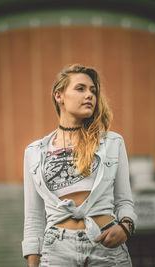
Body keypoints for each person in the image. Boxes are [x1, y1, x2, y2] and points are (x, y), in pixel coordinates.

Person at [22, 64, 137, 267]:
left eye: (93, 90)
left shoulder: (112, 143)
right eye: (80, 88)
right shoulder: (34, 151)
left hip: (105, 246)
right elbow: (33, 217)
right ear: (59, 96)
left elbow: (124, 201)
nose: (90, 95)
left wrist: (126, 227)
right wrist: (33, 262)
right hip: (56, 251)